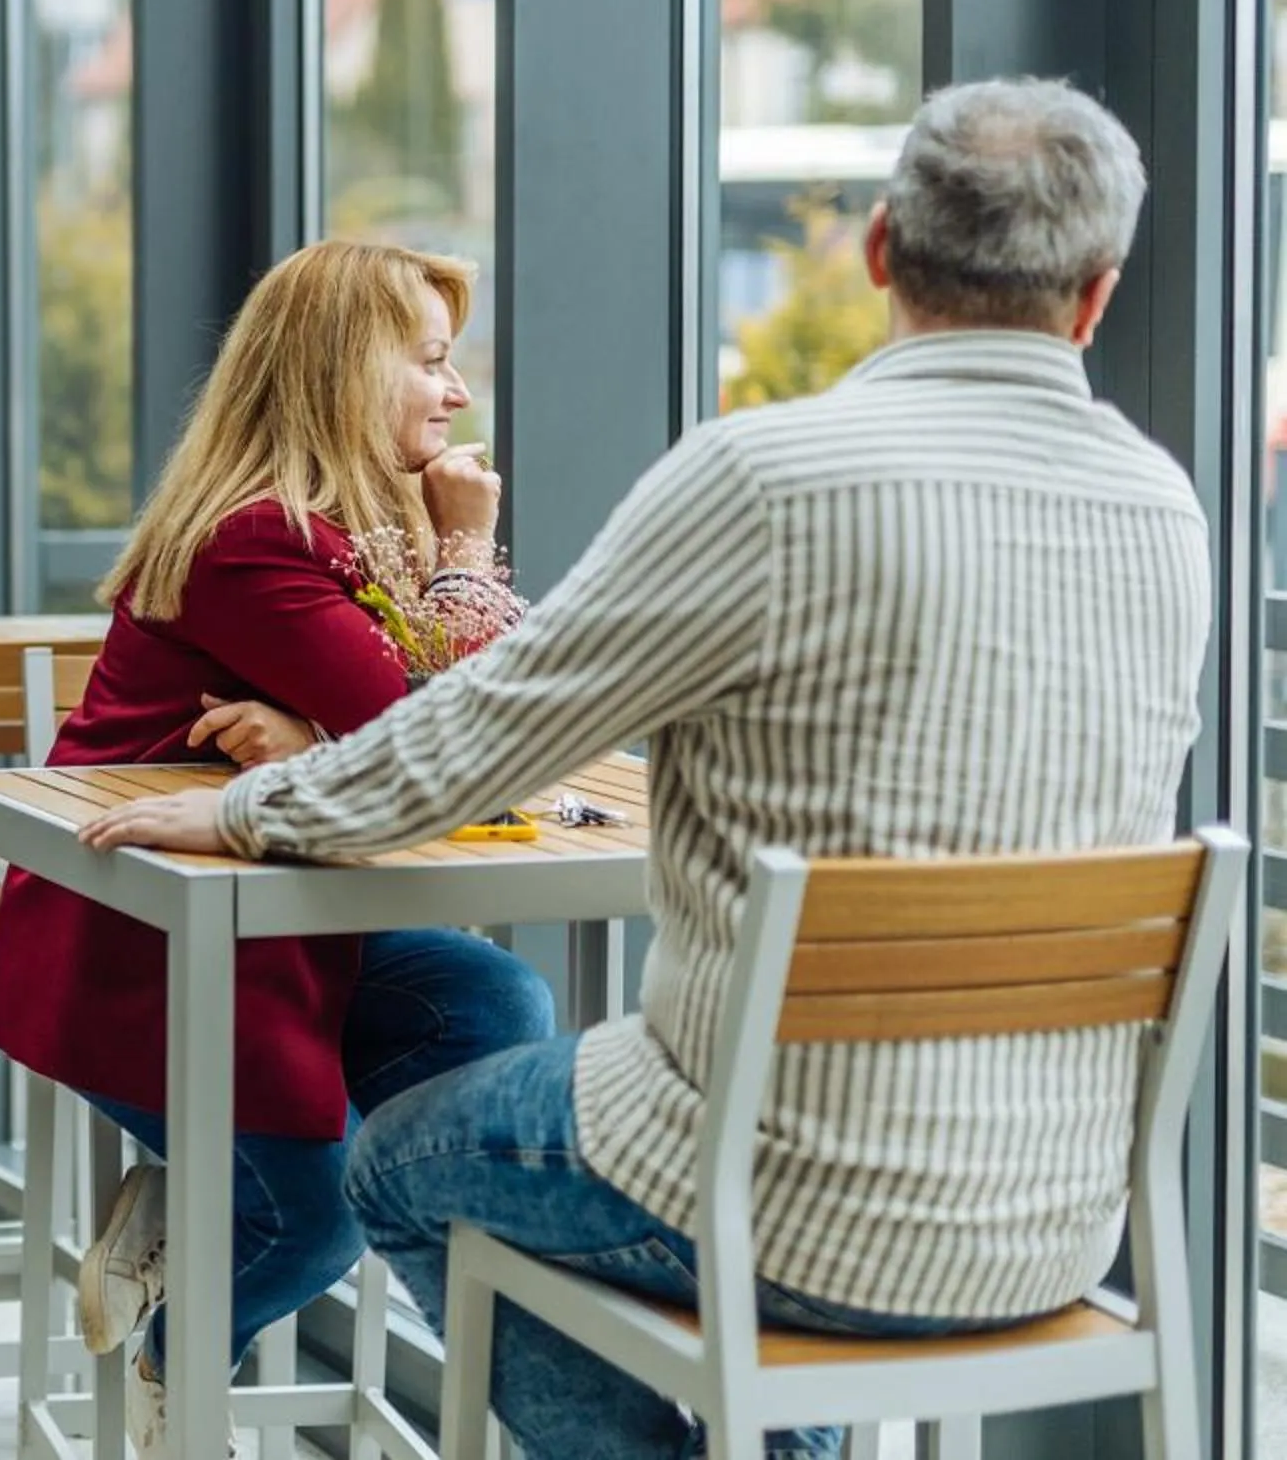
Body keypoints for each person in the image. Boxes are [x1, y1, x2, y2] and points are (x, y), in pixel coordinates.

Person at [75, 79, 1207, 1460]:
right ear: (1098, 297)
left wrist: (252, 806)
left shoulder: (764, 478)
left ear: (878, 255)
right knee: (514, 1027)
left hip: (773, 1196)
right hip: (1057, 1224)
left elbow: (482, 738)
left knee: (396, 1167)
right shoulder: (1165, 505)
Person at [0, 240, 557, 1458]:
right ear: (348, 371)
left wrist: (312, 732)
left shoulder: (337, 532)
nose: (457, 397)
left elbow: (473, 729)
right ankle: (183, 1337)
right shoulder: (255, 538)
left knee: (493, 996)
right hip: (144, 946)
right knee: (318, 1227)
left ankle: (272, 1202)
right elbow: (441, 731)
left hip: (270, 928)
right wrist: (464, 551)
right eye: (434, 362)